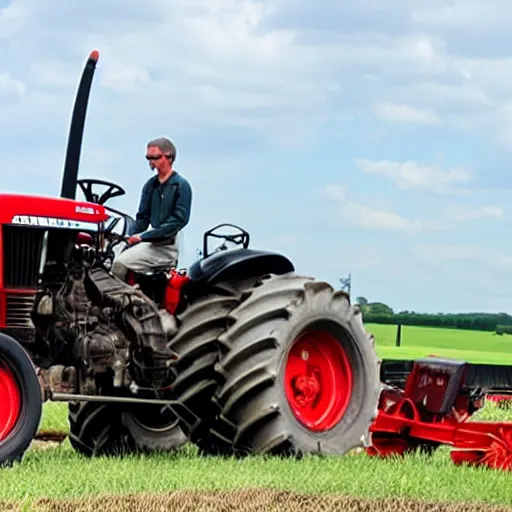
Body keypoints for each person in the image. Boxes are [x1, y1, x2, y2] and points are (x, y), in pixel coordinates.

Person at [112, 137, 192, 281]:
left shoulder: (181, 186)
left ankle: (117, 300)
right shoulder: (150, 186)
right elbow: (142, 218)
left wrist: (143, 237)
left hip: (166, 246)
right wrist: (127, 237)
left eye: (154, 157)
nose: (151, 162)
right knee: (107, 256)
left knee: (119, 264)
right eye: (148, 157)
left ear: (169, 157)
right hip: (150, 242)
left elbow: (178, 221)